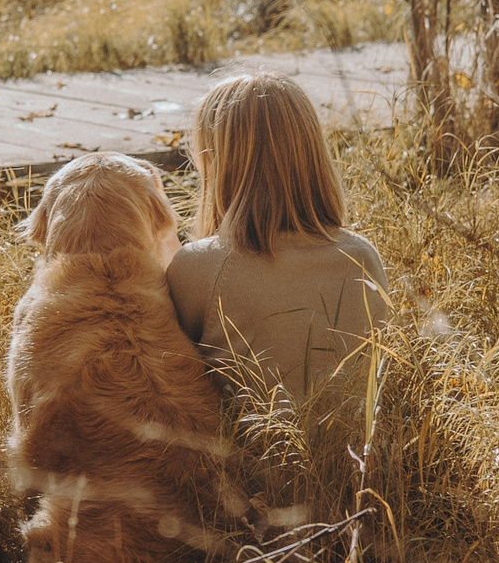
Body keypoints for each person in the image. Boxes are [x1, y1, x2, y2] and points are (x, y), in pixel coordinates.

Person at [166, 73, 388, 425]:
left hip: (244, 472)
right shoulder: (361, 254)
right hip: (362, 467)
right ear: (312, 154)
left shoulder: (201, 266)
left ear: (216, 164)